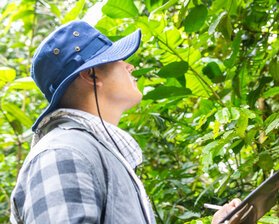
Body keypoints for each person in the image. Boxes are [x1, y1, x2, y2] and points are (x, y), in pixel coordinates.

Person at [10, 20, 240, 224]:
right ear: (90, 75)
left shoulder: (92, 151)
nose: (129, 66)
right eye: (117, 59)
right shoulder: (62, 154)